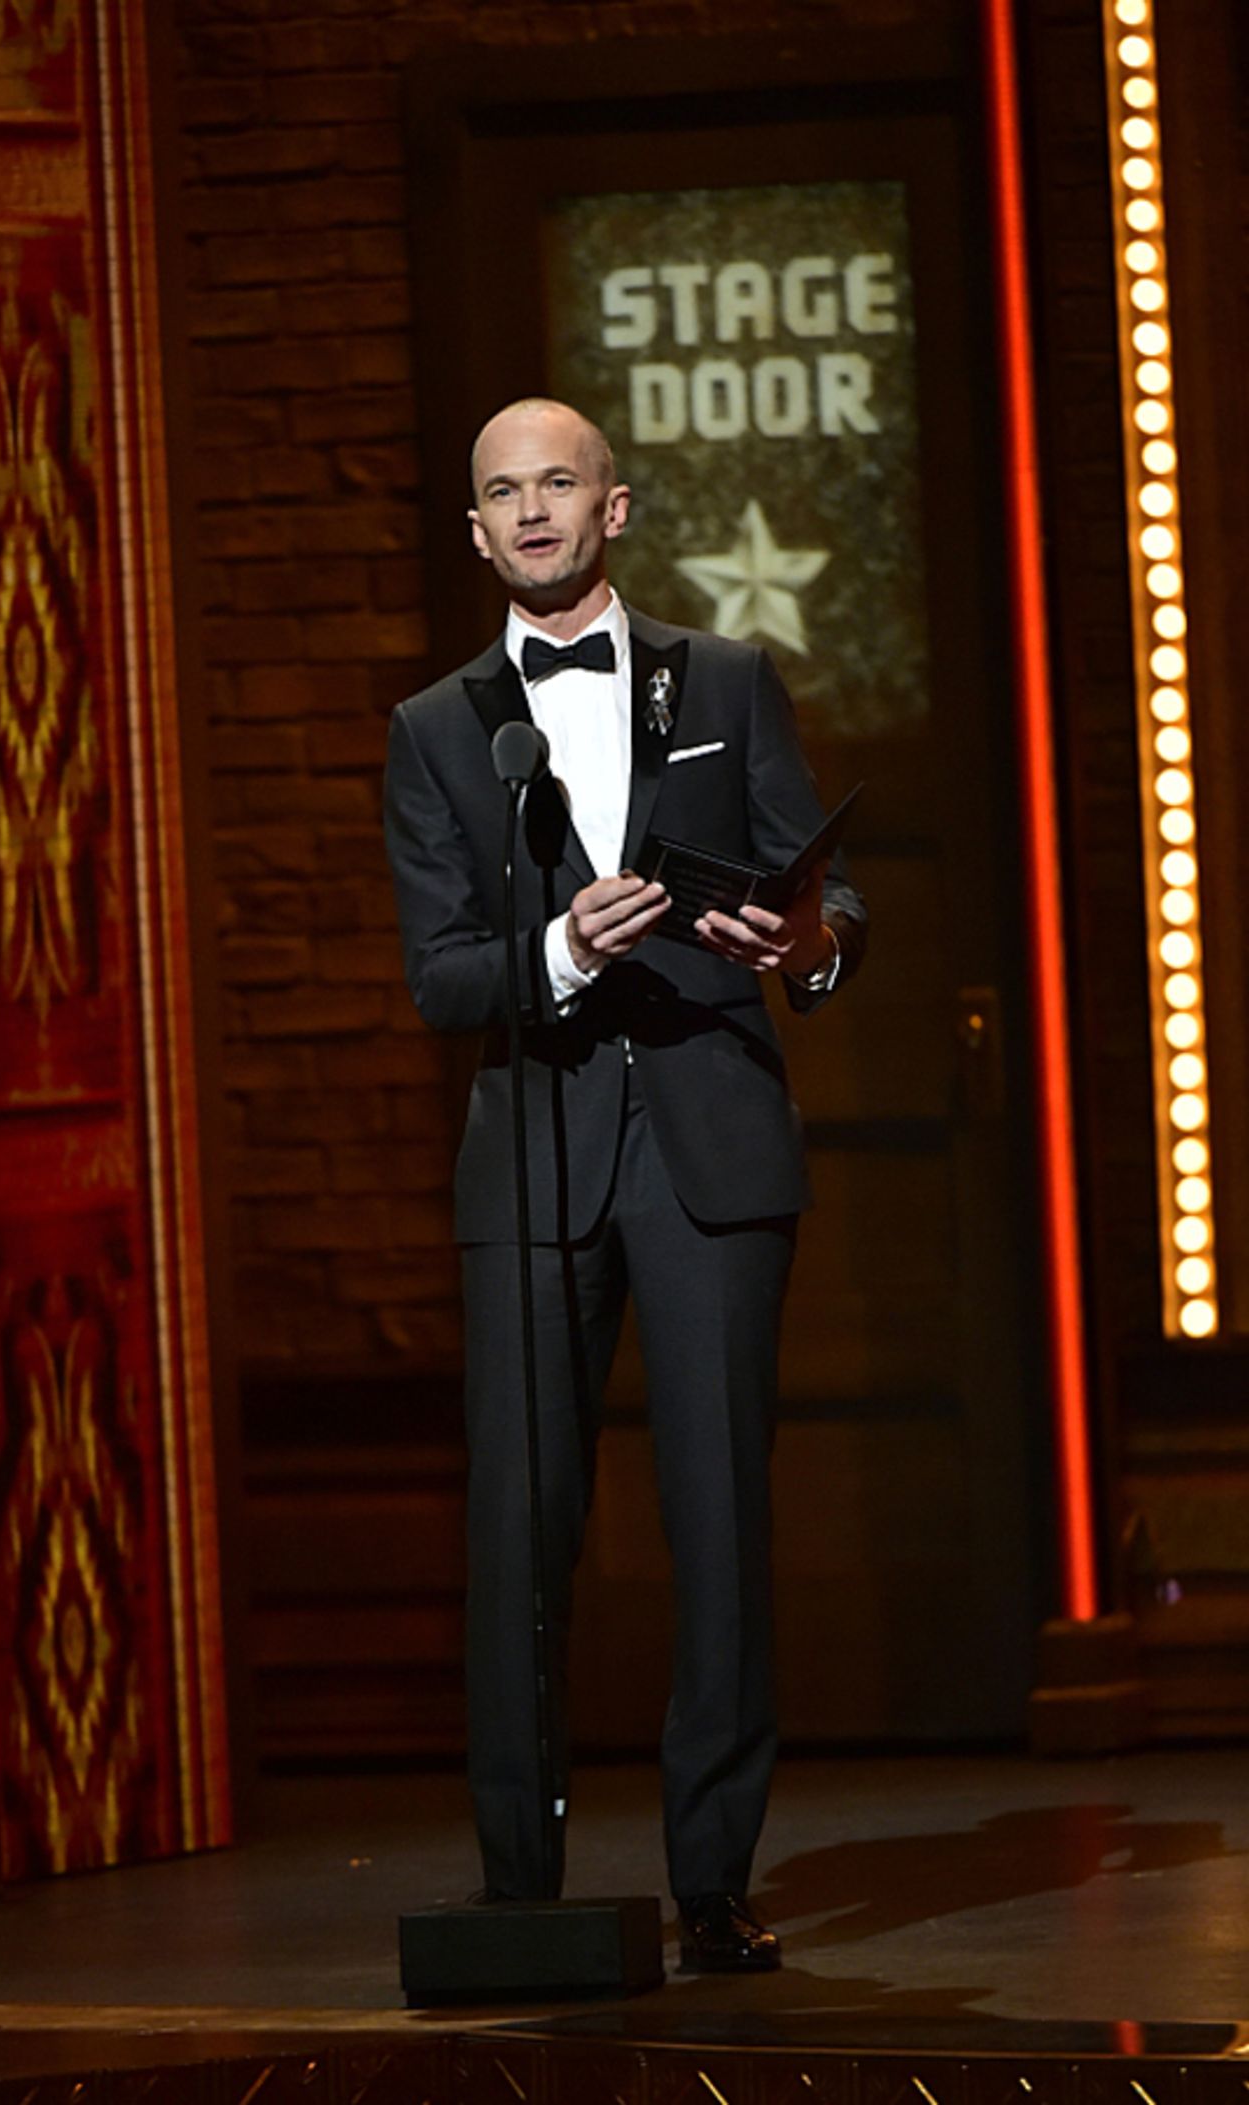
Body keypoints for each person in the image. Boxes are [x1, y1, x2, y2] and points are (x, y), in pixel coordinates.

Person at [383, 398, 866, 1973]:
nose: (531, 511)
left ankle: (714, 1880)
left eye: (558, 485)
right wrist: (560, 949)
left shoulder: (724, 680)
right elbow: (447, 978)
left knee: (718, 1516)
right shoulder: (437, 730)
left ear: (618, 506)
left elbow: (824, 888)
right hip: (534, 1159)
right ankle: (523, 1876)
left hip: (712, 1147)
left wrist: (806, 942)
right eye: (502, 493)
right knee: (522, 1527)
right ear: (476, 530)